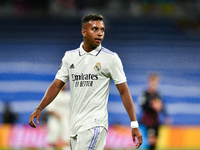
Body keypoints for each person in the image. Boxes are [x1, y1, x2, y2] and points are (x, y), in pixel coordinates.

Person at [29, 14, 143, 150]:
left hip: (95, 123)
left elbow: (124, 91)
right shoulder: (70, 57)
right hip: (75, 125)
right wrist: (40, 108)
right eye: (95, 29)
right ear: (84, 31)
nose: (100, 33)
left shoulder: (111, 59)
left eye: (102, 30)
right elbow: (56, 85)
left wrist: (134, 124)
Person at [138, 72, 169, 150]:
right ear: (149, 82)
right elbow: (142, 106)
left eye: (156, 82)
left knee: (155, 142)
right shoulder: (144, 94)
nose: (154, 84)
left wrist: (166, 116)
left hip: (156, 121)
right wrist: (152, 106)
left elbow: (162, 106)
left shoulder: (158, 94)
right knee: (151, 141)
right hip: (148, 121)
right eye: (153, 82)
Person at [46, 83, 70, 150]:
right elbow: (49, 109)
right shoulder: (54, 94)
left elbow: (70, 109)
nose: (64, 86)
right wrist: (56, 114)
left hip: (65, 119)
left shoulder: (68, 95)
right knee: (52, 137)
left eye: (65, 84)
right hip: (54, 119)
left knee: (66, 137)